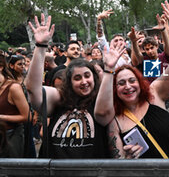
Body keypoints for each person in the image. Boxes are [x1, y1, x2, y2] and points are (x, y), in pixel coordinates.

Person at [94, 1, 169, 159]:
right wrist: (128, 159)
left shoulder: (154, 94)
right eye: (121, 83)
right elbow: (119, 161)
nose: (128, 86)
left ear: (140, 81)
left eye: (132, 80)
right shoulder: (115, 120)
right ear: (114, 89)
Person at [25, 13, 108, 158]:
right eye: (77, 78)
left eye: (87, 76)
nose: (84, 81)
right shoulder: (59, 98)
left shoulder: (101, 101)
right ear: (69, 82)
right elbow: (33, 90)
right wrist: (40, 46)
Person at [0, 55, 30, 158]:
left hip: (11, 136)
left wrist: (2, 117)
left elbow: (26, 116)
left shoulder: (13, 88)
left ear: (1, 67)